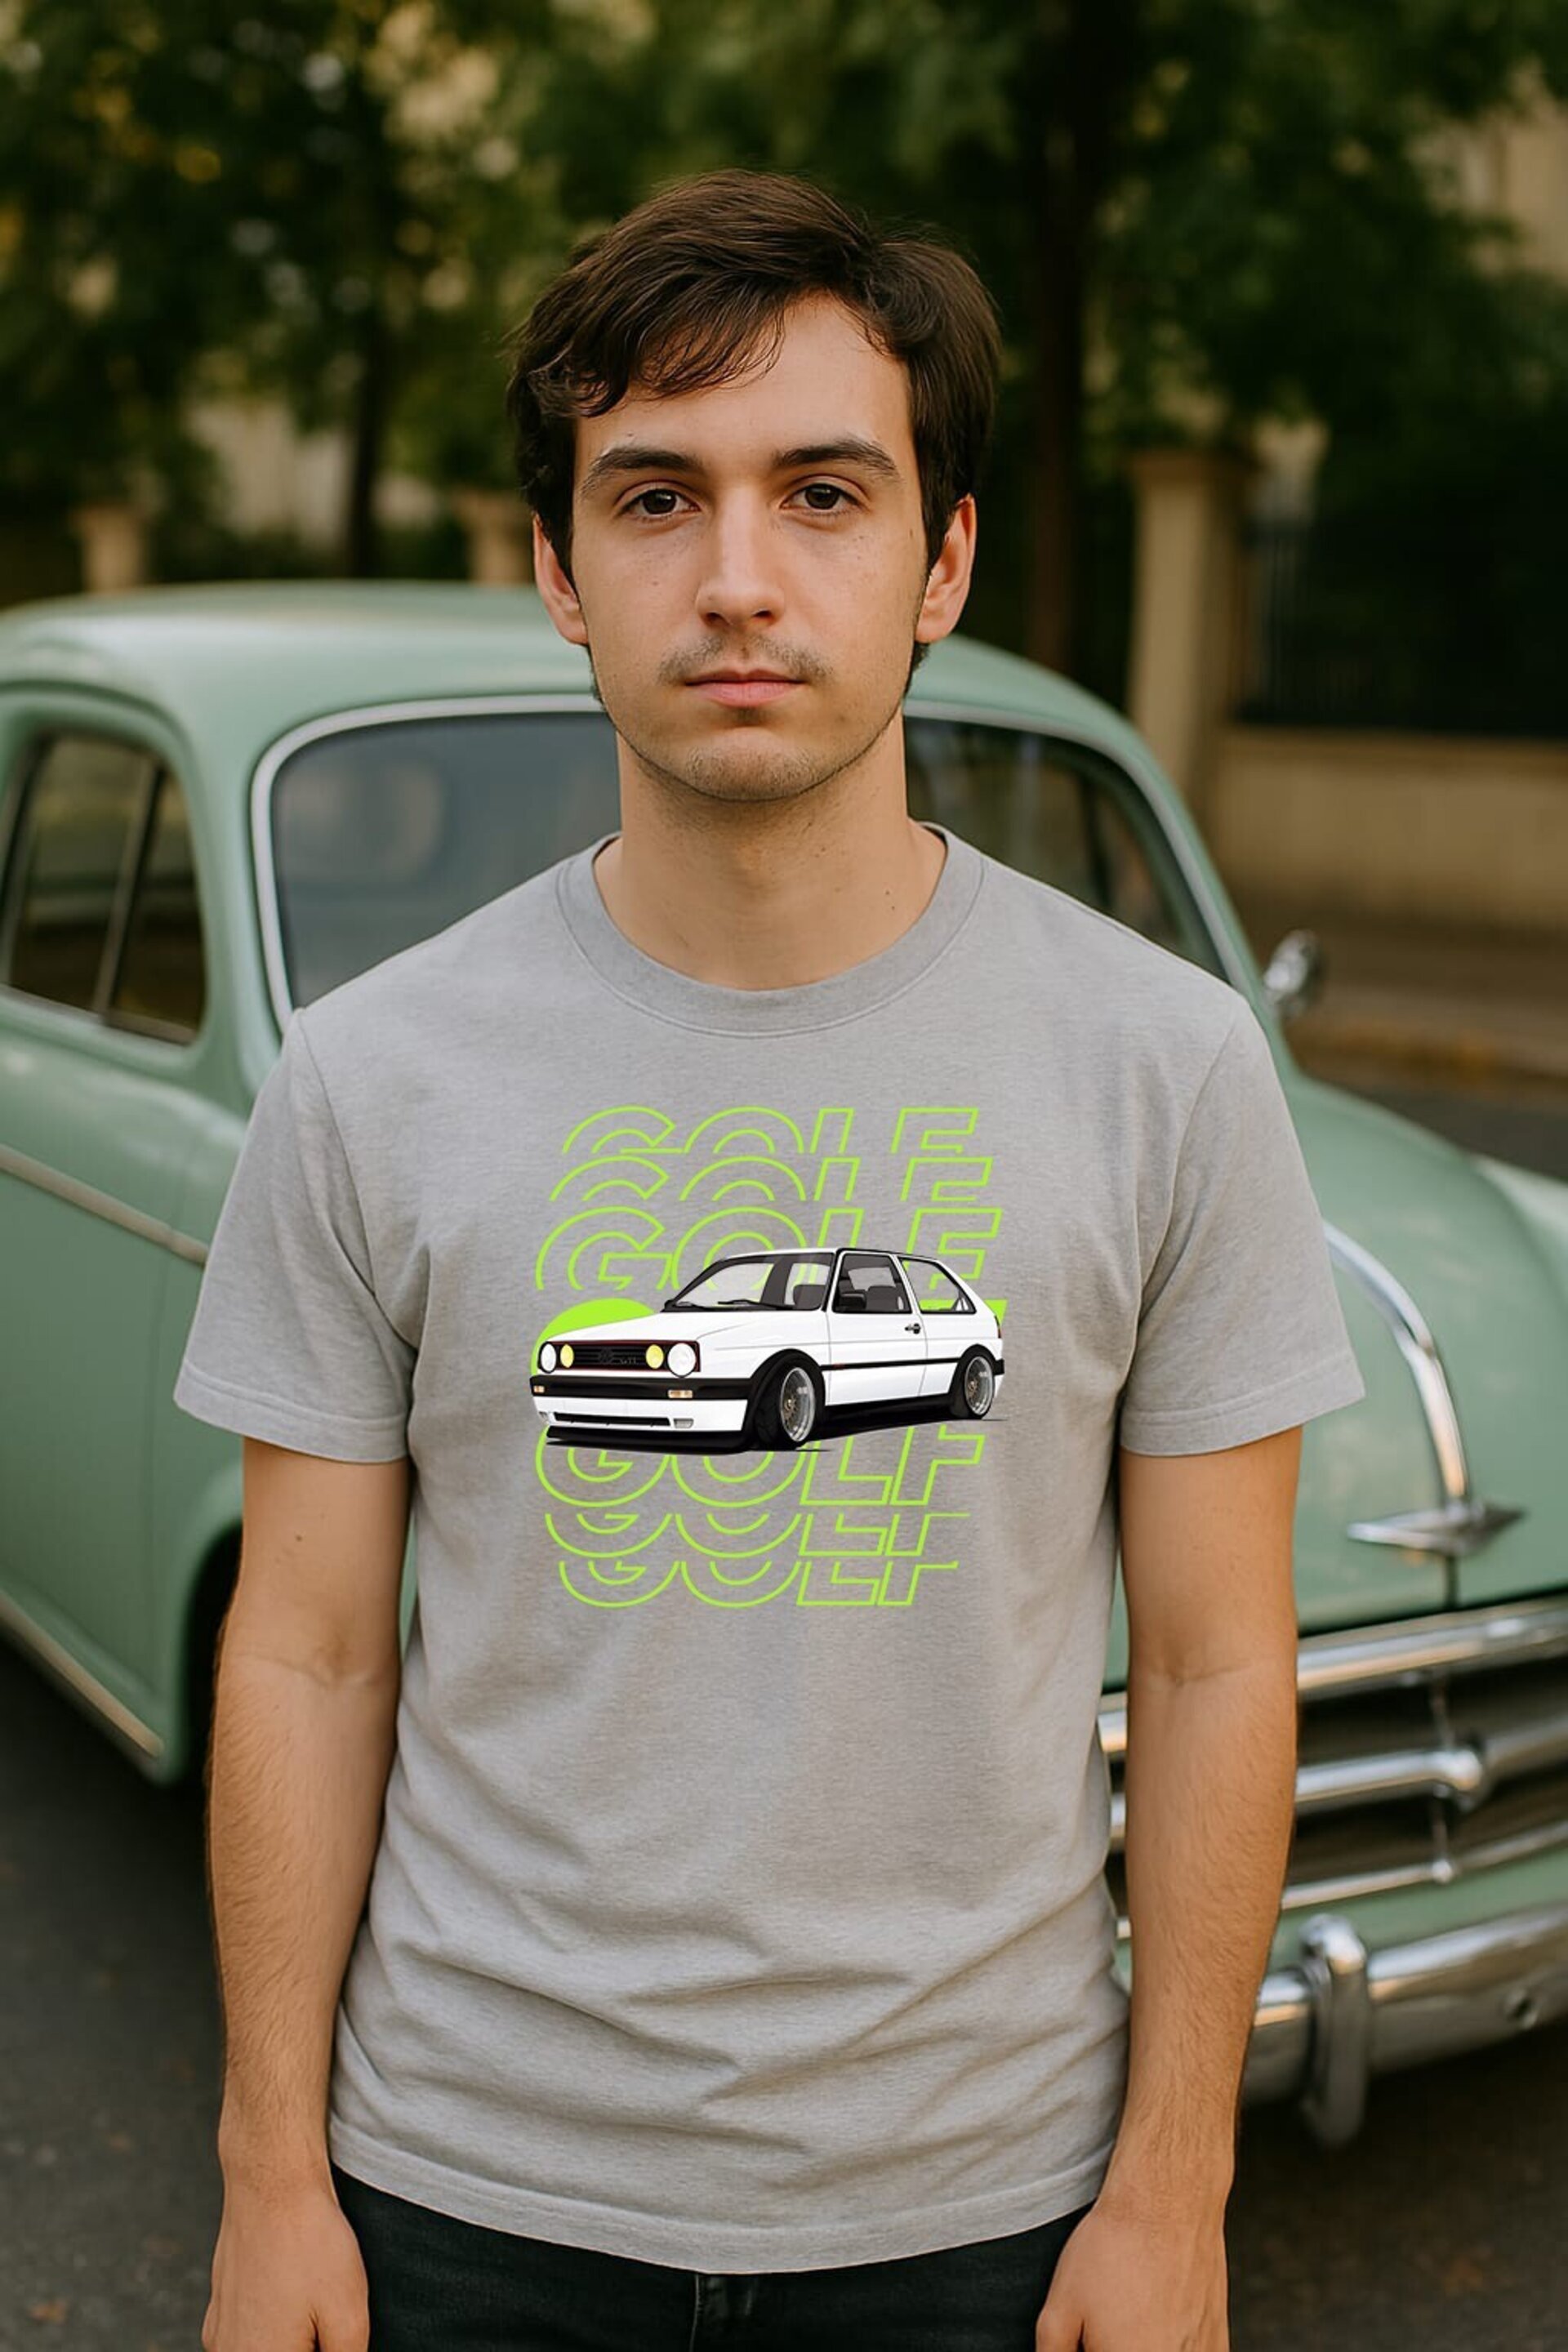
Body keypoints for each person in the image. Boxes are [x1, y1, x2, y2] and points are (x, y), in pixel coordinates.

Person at [178, 167, 1365, 2352]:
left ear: (944, 563)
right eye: (655, 499)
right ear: (559, 572)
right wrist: (269, 2176)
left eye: (824, 493)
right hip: (462, 2190)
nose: (738, 579)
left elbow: (1217, 1665)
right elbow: (311, 1656)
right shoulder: (367, 1079)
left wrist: (1177, 2191)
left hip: (987, 2207)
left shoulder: (1169, 1066)